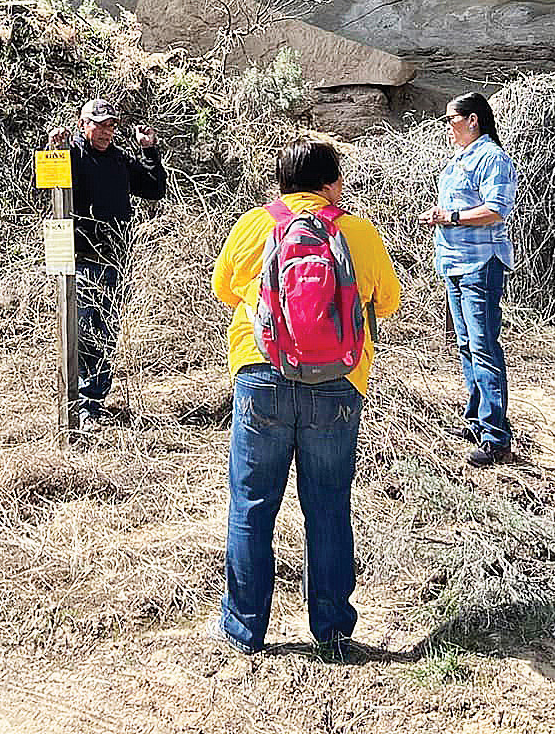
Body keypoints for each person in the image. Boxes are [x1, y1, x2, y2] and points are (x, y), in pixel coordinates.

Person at [210, 140, 401, 653]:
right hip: (338, 384)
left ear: (280, 184)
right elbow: (388, 301)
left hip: (262, 374)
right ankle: (334, 630)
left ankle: (244, 630)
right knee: (329, 506)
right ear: (331, 184)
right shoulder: (357, 232)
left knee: (252, 505)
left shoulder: (253, 225)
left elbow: (224, 290)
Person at [44, 98, 165, 426]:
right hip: (79, 261)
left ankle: (92, 403)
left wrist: (149, 150)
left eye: (110, 125)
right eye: (98, 124)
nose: (105, 131)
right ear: (84, 124)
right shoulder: (72, 156)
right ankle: (79, 401)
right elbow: (46, 183)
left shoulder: (120, 161)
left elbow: (154, 189)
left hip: (115, 260)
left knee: (104, 333)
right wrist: (54, 149)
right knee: (81, 330)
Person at [425, 91, 519, 465]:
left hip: (480, 263)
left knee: (482, 345)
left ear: (473, 119)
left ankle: (496, 437)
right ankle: (478, 422)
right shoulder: (464, 158)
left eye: (452, 119)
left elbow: (496, 210)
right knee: (467, 344)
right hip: (456, 262)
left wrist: (450, 217)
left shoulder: (492, 159)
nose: (448, 127)